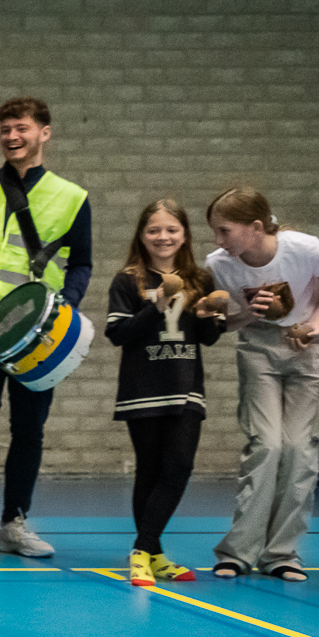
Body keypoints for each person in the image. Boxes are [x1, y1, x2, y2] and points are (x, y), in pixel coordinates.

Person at [0, 97, 92, 560]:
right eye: (6, 129)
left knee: (30, 431)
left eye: (22, 128)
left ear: (44, 133)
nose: (12, 137)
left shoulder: (72, 198)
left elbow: (82, 263)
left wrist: (65, 308)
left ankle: (14, 523)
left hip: (38, 336)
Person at [203, 186, 319, 582]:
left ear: (256, 227)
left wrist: (316, 324)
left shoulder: (305, 248)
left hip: (308, 347)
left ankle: (282, 552)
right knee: (266, 444)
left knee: (300, 449)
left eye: (224, 231)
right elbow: (222, 325)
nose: (218, 241)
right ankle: (238, 550)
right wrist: (246, 313)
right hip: (259, 347)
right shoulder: (220, 264)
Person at [105, 200, 227, 586]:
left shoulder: (201, 279)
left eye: (171, 230)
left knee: (178, 468)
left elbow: (208, 339)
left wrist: (209, 316)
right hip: (142, 390)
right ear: (141, 236)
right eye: (154, 230)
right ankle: (152, 555)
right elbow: (117, 334)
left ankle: (142, 550)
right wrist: (155, 306)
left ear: (185, 235)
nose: (163, 237)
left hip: (186, 388)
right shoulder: (127, 280)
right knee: (150, 472)